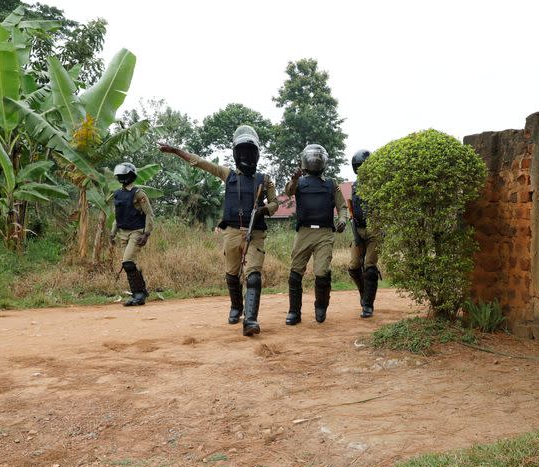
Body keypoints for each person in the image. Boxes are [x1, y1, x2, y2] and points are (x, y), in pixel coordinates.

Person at [158, 125, 278, 336]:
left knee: (253, 276)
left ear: (256, 154)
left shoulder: (264, 180)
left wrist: (263, 209)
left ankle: (250, 320)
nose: (246, 156)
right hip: (231, 231)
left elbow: (275, 204)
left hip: (256, 233)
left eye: (249, 152)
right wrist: (176, 150)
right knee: (232, 274)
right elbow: (201, 162)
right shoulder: (227, 174)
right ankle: (236, 307)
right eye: (242, 152)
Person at [284, 144, 348, 325]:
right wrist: (294, 180)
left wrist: (342, 220)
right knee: (295, 272)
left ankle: (321, 306)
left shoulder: (331, 184)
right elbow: (288, 192)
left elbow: (342, 206)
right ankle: (294, 312)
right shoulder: (299, 183)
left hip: (324, 233)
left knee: (322, 272)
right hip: (303, 232)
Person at [109, 162, 154, 306]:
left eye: (124, 174)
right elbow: (118, 216)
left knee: (127, 262)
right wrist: (112, 233)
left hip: (136, 232)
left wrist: (146, 234)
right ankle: (140, 292)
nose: (122, 177)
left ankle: (139, 294)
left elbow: (149, 214)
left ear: (131, 175)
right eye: (120, 174)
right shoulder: (117, 194)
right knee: (130, 263)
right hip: (123, 233)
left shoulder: (138, 193)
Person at [347, 149, 381, 318]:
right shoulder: (354, 186)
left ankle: (368, 305)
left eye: (363, 166)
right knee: (353, 266)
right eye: (358, 167)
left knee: (370, 267)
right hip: (358, 229)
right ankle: (363, 293)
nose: (361, 170)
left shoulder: (379, 184)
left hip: (374, 229)